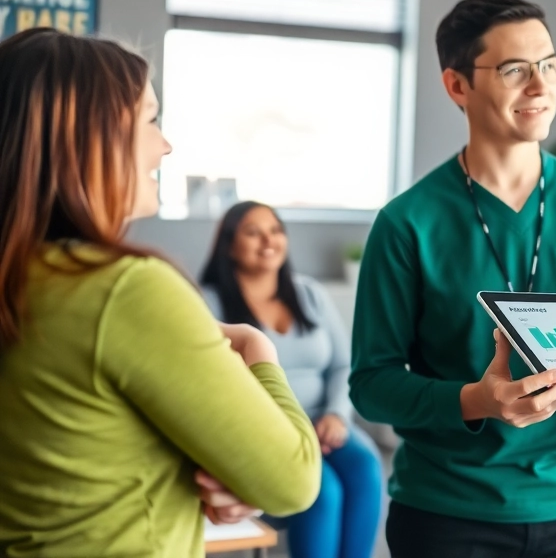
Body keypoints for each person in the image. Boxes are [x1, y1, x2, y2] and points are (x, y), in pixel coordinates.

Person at [349, 0, 556, 558]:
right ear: (457, 86)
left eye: (550, 66)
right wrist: (478, 401)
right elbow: (372, 385)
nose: (541, 86)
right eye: (514, 70)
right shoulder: (407, 223)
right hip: (448, 511)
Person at [0, 28, 321, 556]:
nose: (164, 144)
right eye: (149, 120)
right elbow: (293, 480)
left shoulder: (27, 276)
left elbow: (82, 447)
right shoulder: (124, 290)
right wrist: (257, 348)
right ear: (90, 136)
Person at [200, 201, 383, 558]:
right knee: (322, 490)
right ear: (228, 244)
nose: (268, 240)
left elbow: (344, 365)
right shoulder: (207, 301)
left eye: (275, 230)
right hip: (265, 429)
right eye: (253, 232)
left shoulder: (309, 293)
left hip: (323, 422)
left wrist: (336, 415)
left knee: (366, 468)